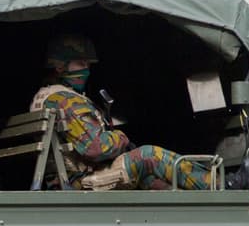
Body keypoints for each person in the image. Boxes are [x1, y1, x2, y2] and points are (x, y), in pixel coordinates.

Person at [33, 33, 220, 190]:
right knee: (149, 155)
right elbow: (97, 148)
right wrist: (122, 138)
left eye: (88, 65)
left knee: (150, 180)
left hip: (65, 180)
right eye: (81, 64)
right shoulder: (66, 99)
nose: (87, 70)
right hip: (82, 182)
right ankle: (219, 184)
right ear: (59, 66)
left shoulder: (44, 97)